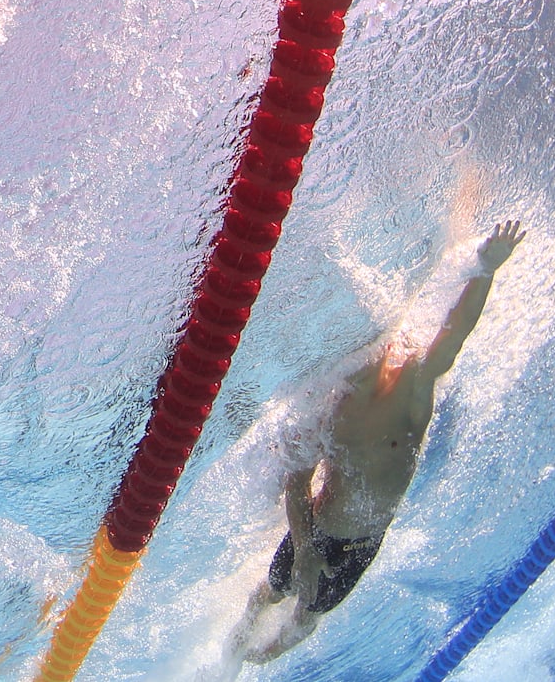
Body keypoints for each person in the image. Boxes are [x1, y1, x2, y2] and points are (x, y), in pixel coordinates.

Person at [224, 220, 527, 667]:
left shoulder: (415, 387)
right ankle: (233, 650)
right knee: (272, 591)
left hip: (365, 540)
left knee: (306, 620)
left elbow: (454, 333)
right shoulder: (327, 409)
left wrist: (487, 269)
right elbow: (296, 486)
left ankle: (259, 660)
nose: (353, 372)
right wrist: (305, 550)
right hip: (319, 532)